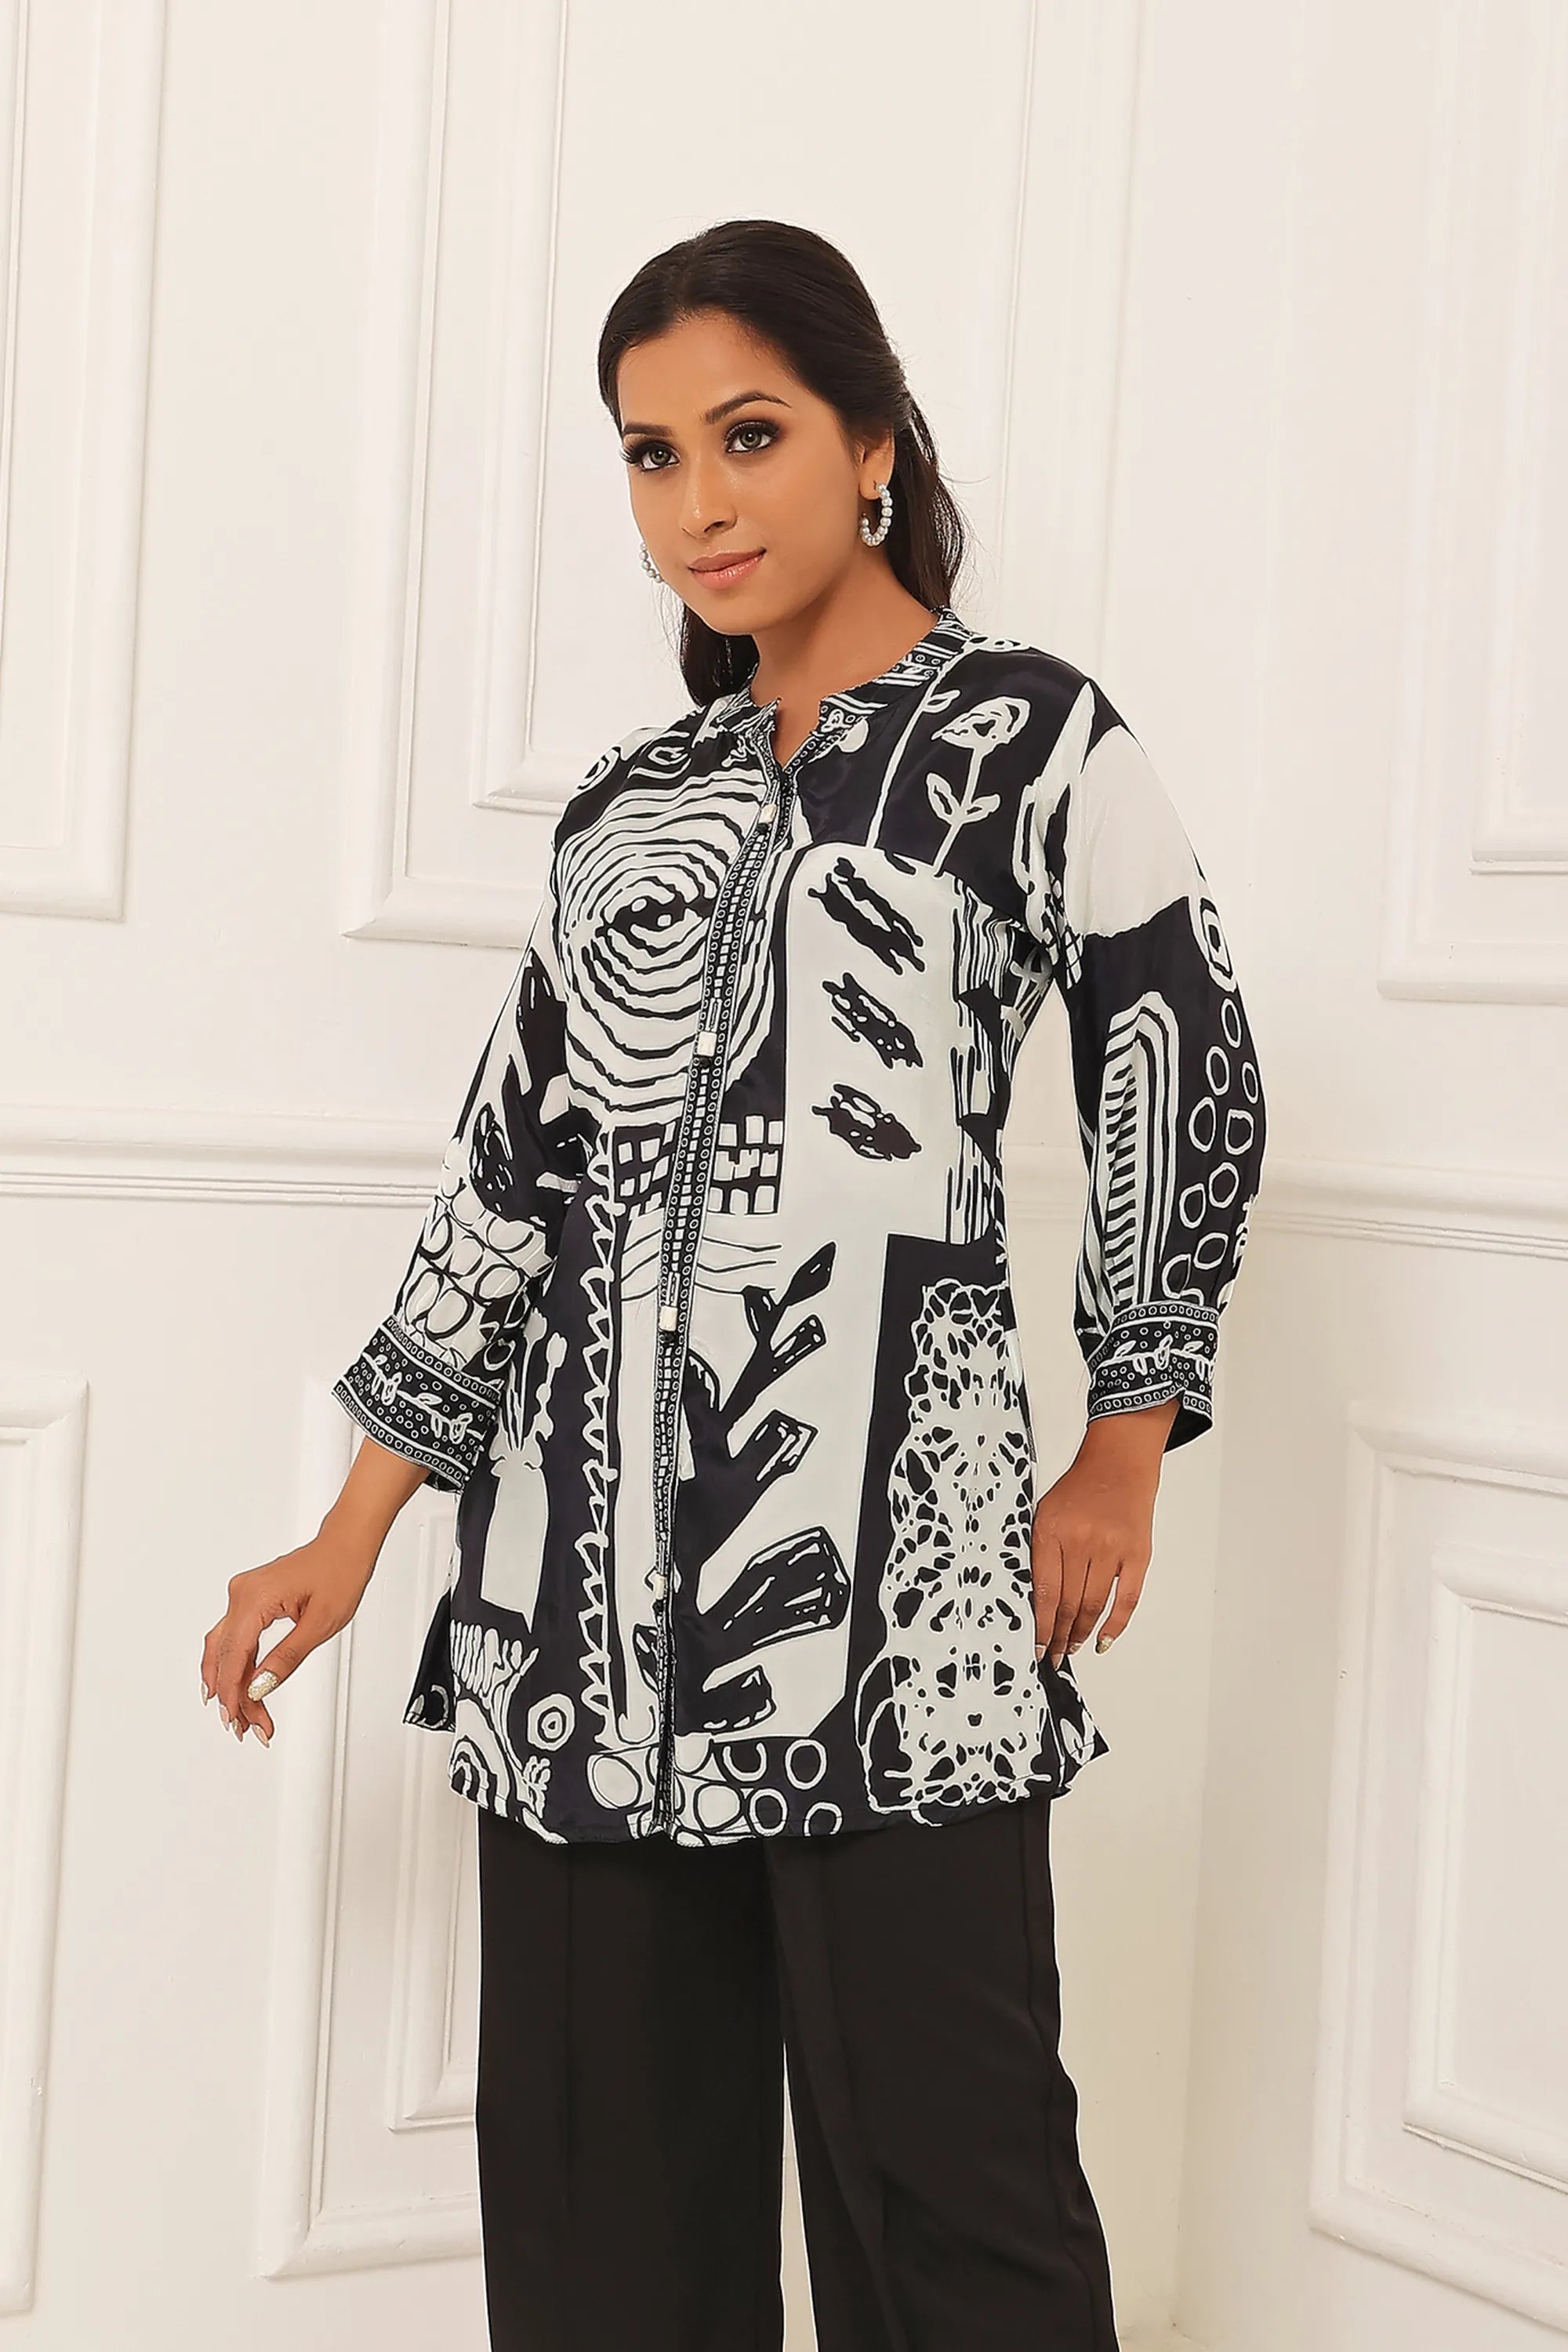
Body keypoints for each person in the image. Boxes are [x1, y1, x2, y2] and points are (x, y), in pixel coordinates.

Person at [201, 218, 1267, 2352]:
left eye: (749, 436)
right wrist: (351, 1525)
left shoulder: (1032, 742)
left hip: (898, 1601)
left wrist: (1124, 1443)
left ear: (874, 445)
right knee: (603, 2224)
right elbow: (513, 1172)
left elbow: (1186, 1057)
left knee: (956, 2200)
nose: (697, 501)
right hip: (575, 1606)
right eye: (649, 454)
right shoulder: (628, 805)